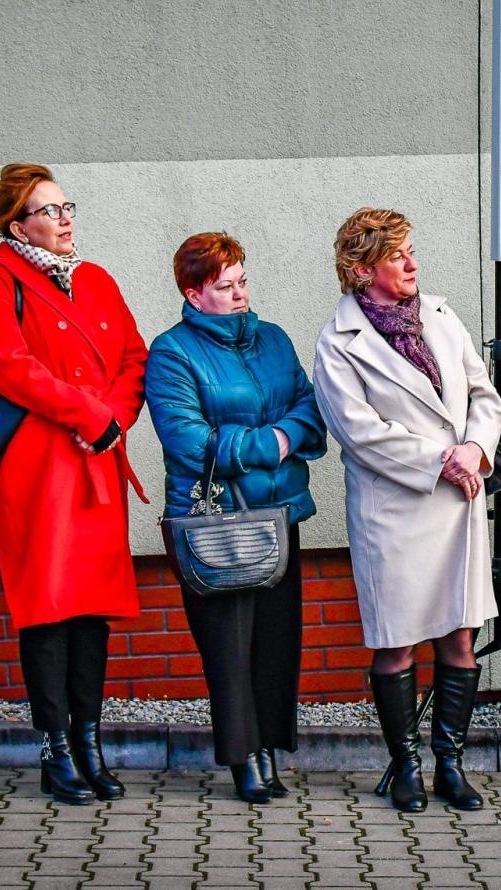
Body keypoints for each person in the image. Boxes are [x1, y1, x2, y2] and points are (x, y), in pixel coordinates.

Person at [0, 163, 150, 804]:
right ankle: (55, 749)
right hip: (37, 466)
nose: (66, 218)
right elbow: (6, 364)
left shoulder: (96, 279)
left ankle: (90, 741)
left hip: (97, 459)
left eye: (69, 206)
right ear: (18, 224)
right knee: (48, 606)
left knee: (91, 607)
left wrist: (114, 419)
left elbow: (134, 356)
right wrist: (87, 414)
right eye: (50, 210)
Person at [312, 208, 501, 813]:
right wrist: (440, 459)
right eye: (398, 256)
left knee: (460, 637)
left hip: (460, 498)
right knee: (396, 642)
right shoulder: (337, 341)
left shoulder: (442, 315)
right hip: (396, 507)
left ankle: (450, 762)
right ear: (363, 270)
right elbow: (359, 431)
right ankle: (406, 764)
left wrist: (475, 448)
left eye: (411, 251)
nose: (413, 263)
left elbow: (481, 392)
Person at [144, 232, 328, 804]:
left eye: (242, 281)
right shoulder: (172, 352)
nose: (240, 293)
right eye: (225, 287)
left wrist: (279, 436)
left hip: (278, 515)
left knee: (276, 641)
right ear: (193, 294)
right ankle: (243, 757)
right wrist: (269, 444)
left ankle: (270, 744)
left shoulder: (273, 339)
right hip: (216, 522)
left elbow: (311, 412)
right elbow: (186, 439)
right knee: (228, 647)